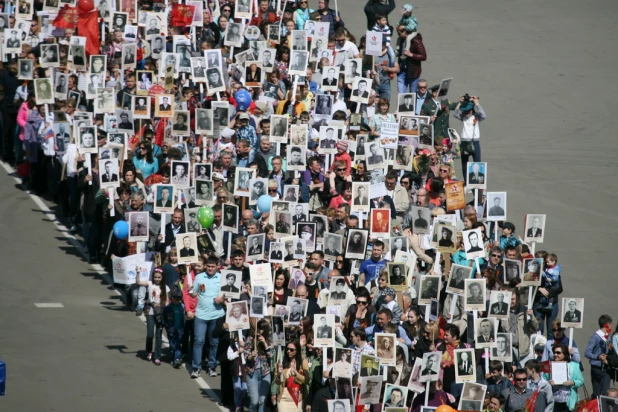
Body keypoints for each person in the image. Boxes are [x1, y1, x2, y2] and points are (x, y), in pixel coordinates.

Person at [136, 268, 169, 365]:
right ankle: (149, 351)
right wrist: (138, 273)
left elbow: (167, 301)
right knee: (150, 334)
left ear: (162, 278)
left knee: (158, 336)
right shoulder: (150, 284)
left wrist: (162, 306)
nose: (157, 279)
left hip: (160, 313)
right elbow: (138, 282)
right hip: (150, 312)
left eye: (159, 277)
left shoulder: (165, 287)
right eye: (155, 277)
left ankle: (157, 356)